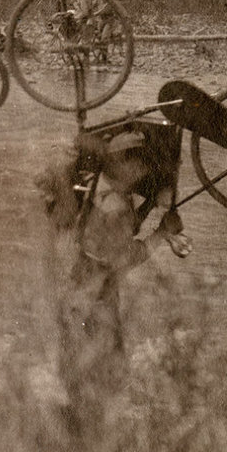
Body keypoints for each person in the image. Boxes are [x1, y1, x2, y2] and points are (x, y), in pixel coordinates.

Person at [37, 128, 190, 387]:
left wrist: (151, 206)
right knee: (105, 366)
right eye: (139, 164)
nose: (143, 171)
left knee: (75, 360)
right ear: (125, 164)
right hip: (98, 294)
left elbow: (121, 231)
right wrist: (162, 232)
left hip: (82, 283)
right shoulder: (117, 206)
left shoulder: (102, 188)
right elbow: (128, 255)